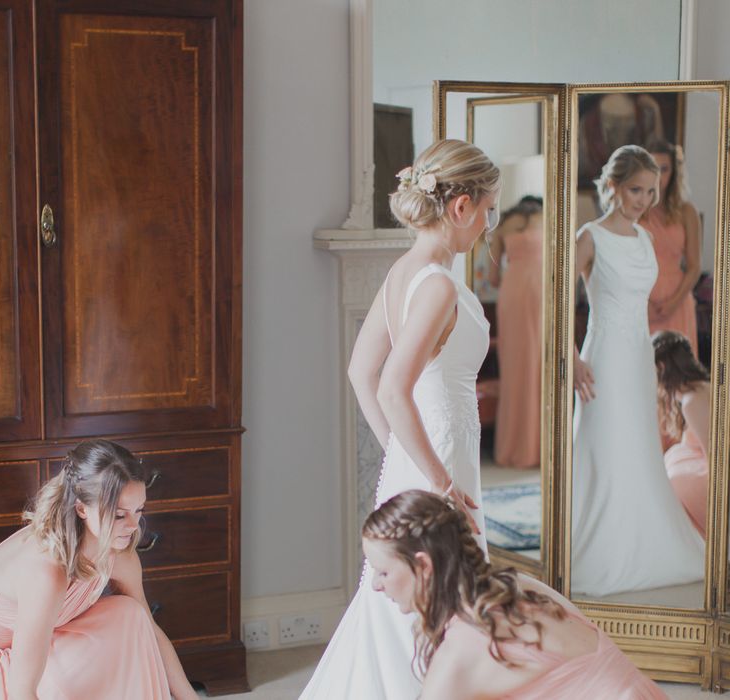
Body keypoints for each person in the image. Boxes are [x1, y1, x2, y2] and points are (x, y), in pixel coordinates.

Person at [300, 139, 500, 699]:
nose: (488, 224)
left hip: (419, 458)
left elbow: (360, 373)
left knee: (408, 598)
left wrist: (401, 457)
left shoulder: (402, 273)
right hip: (438, 464)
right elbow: (389, 386)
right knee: (434, 601)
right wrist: (438, 480)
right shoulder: (436, 284)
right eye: (487, 210)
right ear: (460, 208)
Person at [362, 489, 668, 699]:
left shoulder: (458, 657)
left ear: (423, 565)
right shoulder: (517, 585)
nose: (376, 585)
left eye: (383, 572)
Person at [0, 439, 199, 700]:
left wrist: (189, 697)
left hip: (33, 647)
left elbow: (151, 632)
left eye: (138, 510)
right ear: (82, 508)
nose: (133, 525)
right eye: (119, 515)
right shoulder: (47, 570)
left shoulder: (119, 553)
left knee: (132, 615)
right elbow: (22, 688)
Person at [572, 145, 704, 598]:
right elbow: (550, 299)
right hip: (604, 359)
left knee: (637, 450)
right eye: (635, 190)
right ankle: (603, 550)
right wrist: (571, 359)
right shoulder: (588, 236)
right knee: (605, 450)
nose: (644, 200)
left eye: (651, 190)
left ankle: (643, 541)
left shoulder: (644, 237)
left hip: (636, 358)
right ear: (611, 186)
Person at [488, 195, 543, 468]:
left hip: (513, 293)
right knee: (540, 366)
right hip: (541, 291)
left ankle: (513, 446)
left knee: (514, 369)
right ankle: (539, 448)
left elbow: (492, 277)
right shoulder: (548, 219)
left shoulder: (503, 226)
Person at [642, 140, 701, 354]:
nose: (658, 177)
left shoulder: (687, 212)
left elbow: (694, 267)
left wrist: (674, 303)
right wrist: (643, 302)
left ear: (674, 173)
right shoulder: (635, 212)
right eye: (653, 168)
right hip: (643, 298)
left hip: (678, 299)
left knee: (679, 374)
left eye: (664, 169)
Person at [653, 330, 711, 538]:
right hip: (703, 460)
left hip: (713, 474)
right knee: (673, 457)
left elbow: (715, 457)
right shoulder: (701, 388)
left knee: (675, 478)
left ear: (662, 368)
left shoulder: (691, 402)